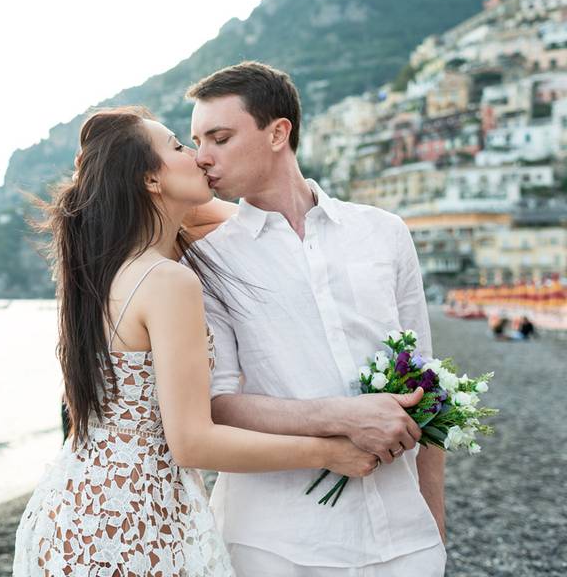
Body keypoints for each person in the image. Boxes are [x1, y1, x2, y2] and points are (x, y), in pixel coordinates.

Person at [13, 106, 380, 576]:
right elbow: (192, 443)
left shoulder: (112, 267)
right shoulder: (167, 280)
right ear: (150, 180)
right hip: (133, 516)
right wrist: (328, 450)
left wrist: (186, 191)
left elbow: (256, 227)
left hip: (75, 506)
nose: (200, 157)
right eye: (180, 146)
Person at [187, 61, 446, 576]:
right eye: (197, 141)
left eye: (219, 137)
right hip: (277, 543)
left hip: (404, 538)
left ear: (278, 132)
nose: (202, 158)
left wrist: (433, 522)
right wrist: (341, 417)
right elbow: (216, 404)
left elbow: (427, 382)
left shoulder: (385, 232)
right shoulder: (208, 259)